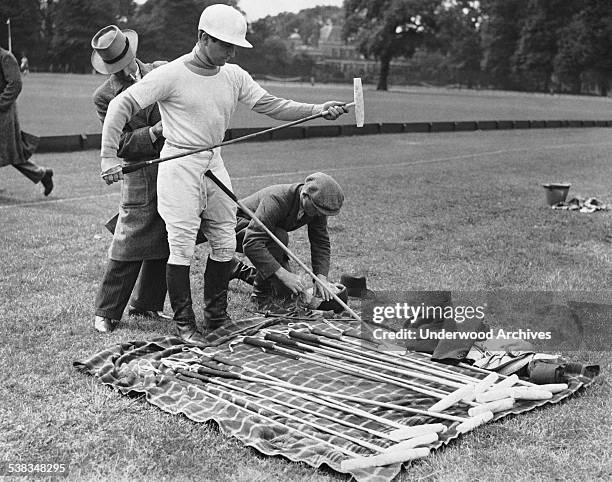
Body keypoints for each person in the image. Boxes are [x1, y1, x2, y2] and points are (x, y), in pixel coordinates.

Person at [98, 4, 348, 342]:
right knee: (182, 245)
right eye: (225, 45)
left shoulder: (233, 75)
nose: (231, 53)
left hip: (213, 163)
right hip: (178, 166)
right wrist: (107, 157)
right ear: (203, 38)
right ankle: (185, 324)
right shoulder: (171, 74)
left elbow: (271, 104)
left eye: (235, 46)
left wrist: (317, 110)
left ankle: (217, 317)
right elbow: (119, 105)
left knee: (224, 239)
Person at [90, 25, 171, 334]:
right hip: (138, 172)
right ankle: (106, 311)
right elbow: (119, 143)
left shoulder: (162, 71)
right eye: (114, 64)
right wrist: (154, 132)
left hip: (173, 168)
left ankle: (147, 304)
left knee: (166, 235)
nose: (122, 68)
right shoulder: (104, 96)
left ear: (132, 52)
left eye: (123, 58)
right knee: (129, 239)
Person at [237, 172, 344, 308]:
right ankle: (260, 296)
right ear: (305, 195)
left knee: (288, 292)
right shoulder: (276, 199)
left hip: (268, 235)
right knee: (279, 237)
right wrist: (283, 274)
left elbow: (320, 242)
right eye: (318, 210)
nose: (320, 215)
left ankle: (236, 269)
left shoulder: (316, 206)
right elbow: (252, 242)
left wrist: (321, 278)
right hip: (235, 223)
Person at [0, 47, 53, 195]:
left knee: (11, 152)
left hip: (3, 115)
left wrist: (1, 103)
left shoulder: (5, 57)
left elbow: (15, 84)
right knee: (10, 152)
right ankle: (42, 174)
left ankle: (42, 174)